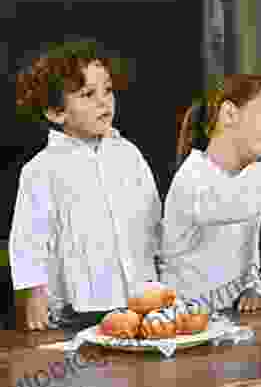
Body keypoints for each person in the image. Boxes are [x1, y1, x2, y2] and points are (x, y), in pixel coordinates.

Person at [10, 39, 162, 331]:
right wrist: (35, 292)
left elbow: (152, 218)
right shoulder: (42, 169)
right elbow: (29, 237)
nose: (103, 101)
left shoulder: (129, 154)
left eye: (107, 90)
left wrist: (163, 269)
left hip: (136, 297)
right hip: (77, 305)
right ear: (56, 112)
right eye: (87, 94)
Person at [159, 75, 261, 312]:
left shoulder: (248, 182)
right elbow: (225, 203)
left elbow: (248, 258)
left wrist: (253, 288)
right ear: (230, 114)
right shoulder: (191, 178)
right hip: (183, 327)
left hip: (232, 327)